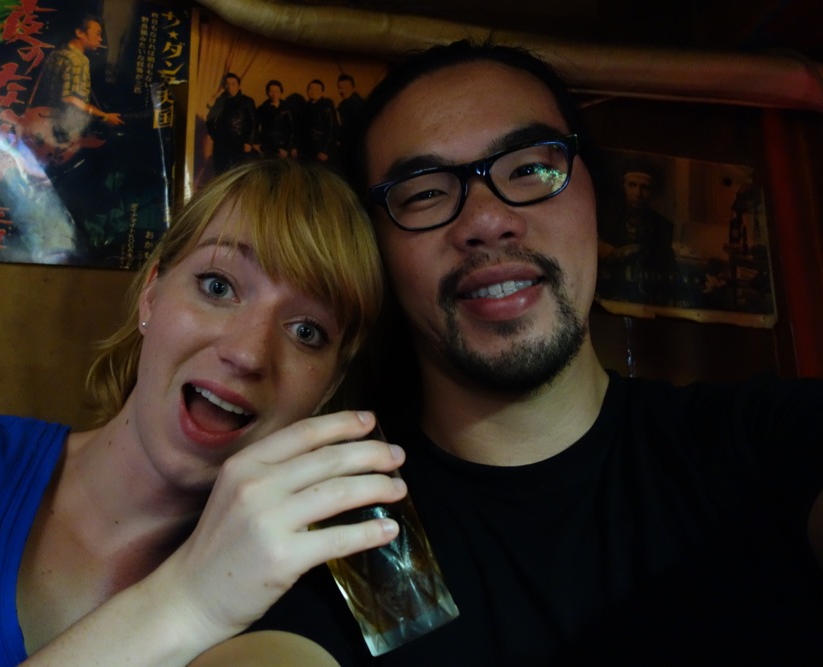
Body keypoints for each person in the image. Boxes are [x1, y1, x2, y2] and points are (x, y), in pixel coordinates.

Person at [197, 40, 823, 665]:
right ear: (377, 253)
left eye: (529, 168)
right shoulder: (345, 535)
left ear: (595, 201)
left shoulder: (765, 441)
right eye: (424, 192)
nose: (486, 221)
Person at [0, 159, 409, 665]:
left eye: (307, 331)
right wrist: (190, 601)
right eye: (217, 285)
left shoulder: (307, 596)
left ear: (329, 388)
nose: (249, 353)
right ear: (152, 294)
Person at [25, 15, 124, 166]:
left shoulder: (55, 54)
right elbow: (70, 100)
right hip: (61, 132)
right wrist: (104, 116)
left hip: (40, 125)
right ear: (79, 32)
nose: (100, 39)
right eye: (97, 33)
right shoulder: (79, 60)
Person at [597, 158, 681, 305]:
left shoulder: (662, 226)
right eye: (632, 185)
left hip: (646, 299)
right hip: (605, 294)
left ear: (653, 192)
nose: (638, 193)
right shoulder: (602, 217)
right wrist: (597, 246)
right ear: (623, 186)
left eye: (645, 187)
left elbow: (668, 266)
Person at [205, 72, 257, 175]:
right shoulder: (220, 101)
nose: (230, 87)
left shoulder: (247, 101)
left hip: (240, 143)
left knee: (238, 173)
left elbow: (254, 123)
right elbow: (210, 118)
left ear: (239, 85)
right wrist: (214, 134)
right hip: (222, 144)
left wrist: (249, 142)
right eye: (227, 84)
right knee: (222, 172)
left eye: (233, 84)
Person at [297, 79, 337, 163]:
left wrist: (325, 150)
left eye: (317, 89)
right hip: (305, 150)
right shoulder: (305, 107)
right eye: (310, 89)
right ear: (307, 91)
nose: (313, 91)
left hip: (320, 150)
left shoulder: (327, 106)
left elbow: (332, 130)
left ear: (322, 92)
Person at [254, 79, 295, 158]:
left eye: (276, 91)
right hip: (266, 147)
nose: (274, 94)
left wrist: (287, 148)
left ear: (281, 92)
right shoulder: (262, 108)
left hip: (282, 147)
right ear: (267, 93)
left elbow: (292, 130)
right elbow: (256, 126)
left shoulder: (287, 108)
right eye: (271, 91)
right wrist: (257, 144)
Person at [335, 73, 366, 170]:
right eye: (340, 88)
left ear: (353, 88)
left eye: (346, 88)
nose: (342, 91)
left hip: (354, 149)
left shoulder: (357, 105)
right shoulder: (344, 104)